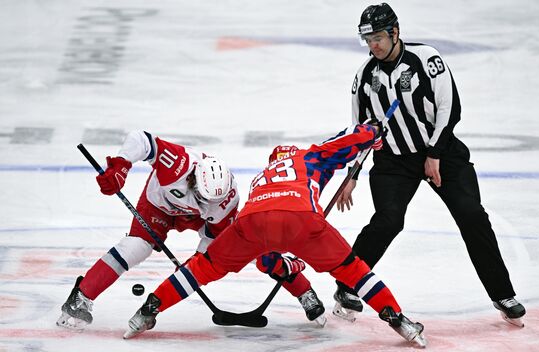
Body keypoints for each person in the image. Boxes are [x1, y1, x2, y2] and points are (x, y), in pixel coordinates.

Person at [122, 124, 428, 348]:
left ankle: (149, 308)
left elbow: (268, 246)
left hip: (252, 222)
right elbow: (349, 139)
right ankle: (397, 318)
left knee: (203, 266)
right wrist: (372, 133)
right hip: (301, 221)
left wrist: (289, 262)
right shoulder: (309, 157)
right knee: (352, 268)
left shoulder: (262, 175)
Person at [333, 2, 526, 327]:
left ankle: (502, 294)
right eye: (368, 39)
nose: (373, 45)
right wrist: (352, 173)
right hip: (393, 161)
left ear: (395, 32)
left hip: (442, 153)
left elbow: (450, 107)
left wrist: (434, 154)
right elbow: (360, 128)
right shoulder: (365, 76)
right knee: (388, 220)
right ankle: (347, 286)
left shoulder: (426, 60)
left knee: (471, 215)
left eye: (378, 37)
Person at [56, 130, 326, 330]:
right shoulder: (180, 163)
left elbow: (208, 250)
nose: (204, 203)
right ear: (193, 178)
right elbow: (142, 140)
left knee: (254, 250)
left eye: (211, 201)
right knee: (136, 247)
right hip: (158, 206)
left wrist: (186, 272)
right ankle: (81, 297)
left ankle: (304, 291)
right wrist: (121, 166)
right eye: (200, 196)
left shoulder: (225, 202)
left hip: (198, 221)